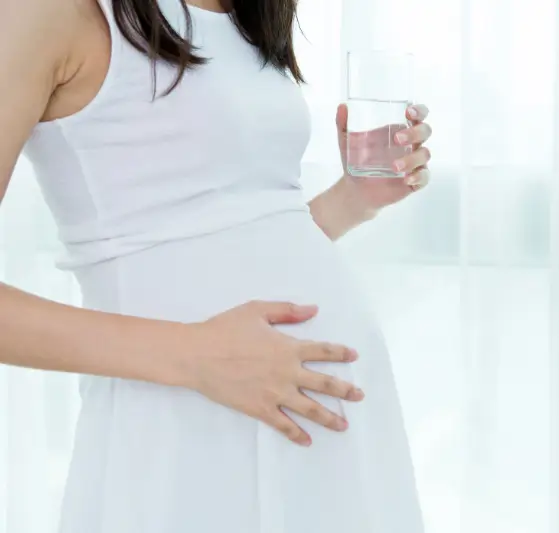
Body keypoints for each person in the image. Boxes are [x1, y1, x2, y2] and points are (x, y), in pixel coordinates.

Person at [0, 0, 433, 531]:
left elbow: (228, 231)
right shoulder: (51, 12)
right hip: (185, 423)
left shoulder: (248, 13)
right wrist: (195, 355)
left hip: (326, 425)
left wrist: (354, 199)